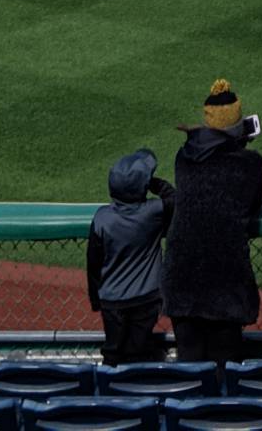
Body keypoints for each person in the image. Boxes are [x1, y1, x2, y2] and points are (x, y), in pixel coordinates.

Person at [162, 79, 262, 363]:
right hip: (225, 281)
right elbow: (251, 199)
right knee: (225, 369)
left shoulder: (183, 157)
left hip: (182, 277)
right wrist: (241, 145)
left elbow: (204, 152)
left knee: (190, 369)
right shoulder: (251, 164)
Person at [87, 148, 175, 364]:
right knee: (139, 351)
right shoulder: (153, 212)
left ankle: (109, 389)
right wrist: (155, 184)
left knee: (113, 351)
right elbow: (174, 197)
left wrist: (95, 298)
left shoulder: (102, 218)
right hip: (146, 298)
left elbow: (93, 264)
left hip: (112, 300)